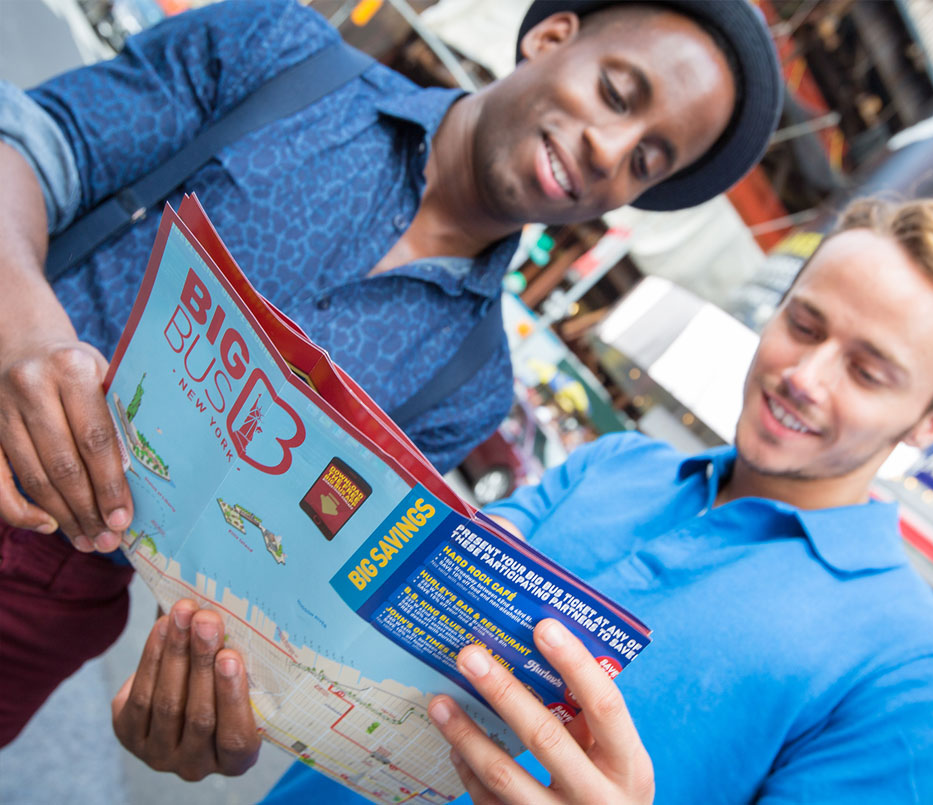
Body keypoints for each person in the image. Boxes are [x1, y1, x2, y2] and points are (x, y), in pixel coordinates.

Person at [0, 0, 782, 748]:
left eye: (646, 160)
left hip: (47, 594)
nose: (611, 151)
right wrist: (25, 334)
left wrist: (234, 706)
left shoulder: (472, 385)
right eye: (617, 93)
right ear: (549, 38)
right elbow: (32, 146)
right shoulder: (279, 53)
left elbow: (288, 570)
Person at [116, 196, 933, 804]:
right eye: (805, 326)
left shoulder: (916, 675)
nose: (803, 377)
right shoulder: (614, 465)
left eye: (868, 370)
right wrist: (228, 687)